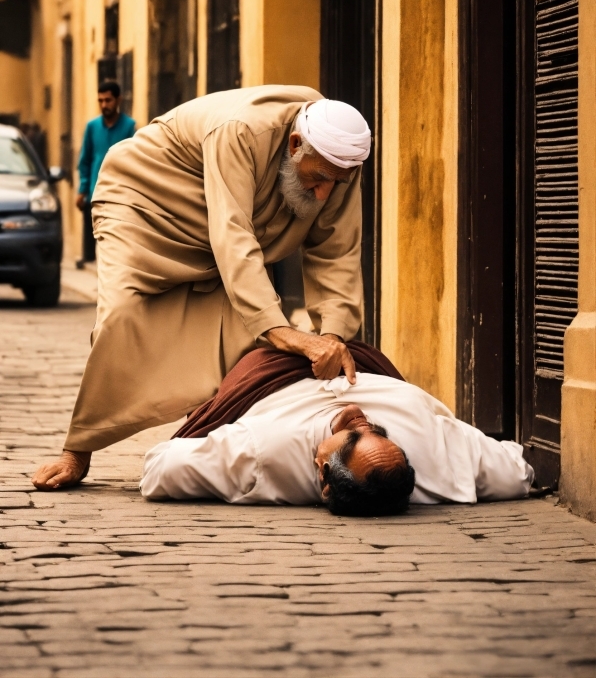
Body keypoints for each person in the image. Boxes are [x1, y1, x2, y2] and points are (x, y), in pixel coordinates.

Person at [32, 86, 372, 491]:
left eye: (337, 182)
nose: (324, 193)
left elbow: (336, 252)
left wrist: (331, 336)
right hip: (145, 209)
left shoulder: (338, 158)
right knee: (122, 317)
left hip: (222, 235)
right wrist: (287, 333)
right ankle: (79, 449)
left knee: (245, 337)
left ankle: (212, 434)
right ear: (296, 144)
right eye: (318, 179)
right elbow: (233, 237)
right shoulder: (241, 130)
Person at [139, 361, 535, 516]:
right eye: (379, 432)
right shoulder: (434, 451)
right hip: (358, 356)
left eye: (352, 437)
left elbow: (158, 469)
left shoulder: (261, 453)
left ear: (323, 475)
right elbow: (515, 474)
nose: (362, 419)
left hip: (270, 372)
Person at [75, 81, 136, 268]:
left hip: (119, 194)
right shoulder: (92, 127)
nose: (104, 105)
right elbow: (85, 160)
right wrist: (82, 189)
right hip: (95, 191)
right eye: (100, 100)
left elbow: (133, 159)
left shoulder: (129, 126)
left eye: (108, 100)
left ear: (118, 100)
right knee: (93, 239)